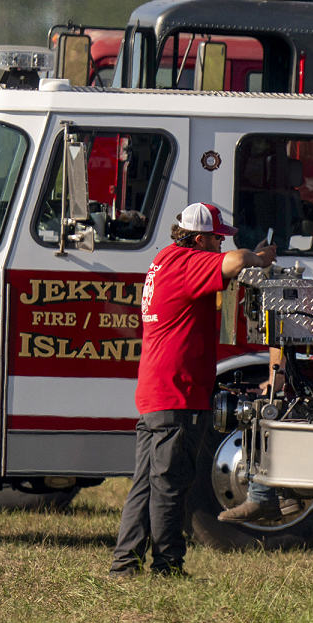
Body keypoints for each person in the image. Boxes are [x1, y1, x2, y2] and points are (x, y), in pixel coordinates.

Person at [108, 202, 275, 577]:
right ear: (199, 239)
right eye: (217, 238)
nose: (221, 244)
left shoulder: (165, 260)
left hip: (156, 391)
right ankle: (167, 565)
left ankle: (125, 563)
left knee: (145, 484)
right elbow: (235, 262)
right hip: (178, 393)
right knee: (171, 484)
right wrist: (260, 258)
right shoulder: (188, 261)